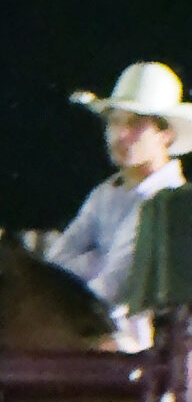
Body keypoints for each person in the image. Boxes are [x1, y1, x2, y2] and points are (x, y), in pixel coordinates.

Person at [46, 62, 191, 352]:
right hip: (116, 350)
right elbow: (55, 267)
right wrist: (99, 264)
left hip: (162, 361)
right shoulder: (104, 194)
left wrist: (88, 263)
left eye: (135, 123)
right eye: (114, 121)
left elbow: (108, 290)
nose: (119, 134)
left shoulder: (172, 204)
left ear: (166, 135)